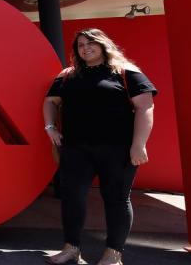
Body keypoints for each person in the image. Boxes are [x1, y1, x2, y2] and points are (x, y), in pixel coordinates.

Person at [42, 28, 156, 265]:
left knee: (117, 199)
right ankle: (71, 248)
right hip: (76, 149)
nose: (85, 48)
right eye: (80, 45)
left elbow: (145, 107)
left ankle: (113, 254)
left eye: (90, 43)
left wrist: (139, 144)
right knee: (72, 198)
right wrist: (50, 127)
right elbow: (51, 101)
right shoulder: (67, 75)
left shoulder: (126, 71)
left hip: (117, 150)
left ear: (103, 45)